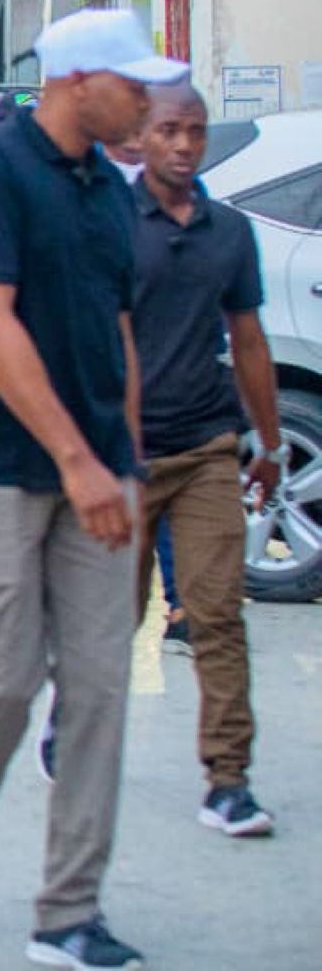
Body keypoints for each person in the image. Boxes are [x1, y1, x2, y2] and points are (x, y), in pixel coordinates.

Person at [0, 8, 187, 971]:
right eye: (132, 83)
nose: (147, 100)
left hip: (99, 474)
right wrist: (77, 459)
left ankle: (68, 912)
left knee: (100, 690)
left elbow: (120, 336)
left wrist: (127, 463)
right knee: (4, 679)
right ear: (74, 82)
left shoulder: (113, 190)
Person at [123, 83, 280, 835]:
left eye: (195, 132)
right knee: (107, 618)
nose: (184, 145)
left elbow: (248, 339)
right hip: (122, 457)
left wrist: (271, 443)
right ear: (143, 137)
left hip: (208, 449)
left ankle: (229, 779)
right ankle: (71, 721)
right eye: (170, 131)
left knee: (216, 614)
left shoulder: (228, 230)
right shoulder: (112, 225)